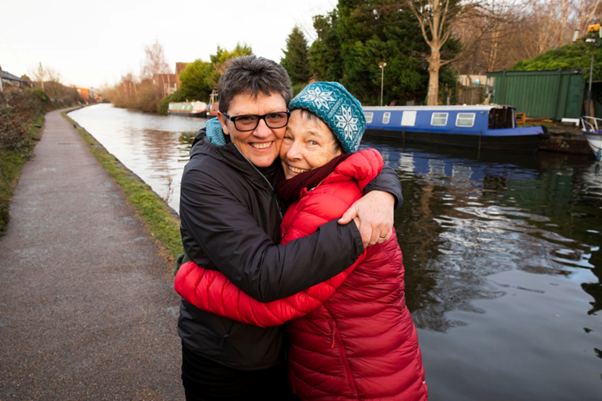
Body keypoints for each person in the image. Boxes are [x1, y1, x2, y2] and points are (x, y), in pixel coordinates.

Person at [176, 81, 427, 400]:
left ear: (340, 151)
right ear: (224, 121)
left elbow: (275, 301)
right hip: (345, 371)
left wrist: (190, 279)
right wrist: (384, 189)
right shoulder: (308, 185)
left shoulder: (332, 207)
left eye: (312, 142)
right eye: (290, 137)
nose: (292, 152)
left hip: (358, 381)